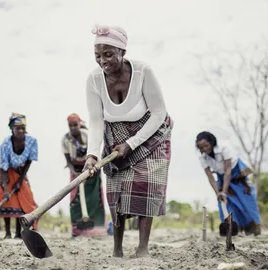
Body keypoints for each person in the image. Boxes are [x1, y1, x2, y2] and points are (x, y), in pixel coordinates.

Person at [84, 24, 173, 258]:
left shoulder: (143, 71)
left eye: (108, 54)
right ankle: (118, 249)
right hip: (115, 136)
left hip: (149, 134)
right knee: (117, 191)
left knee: (147, 184)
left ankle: (143, 248)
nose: (103, 61)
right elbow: (95, 121)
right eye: (97, 56)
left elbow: (158, 113)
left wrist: (132, 143)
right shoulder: (93, 80)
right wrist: (92, 154)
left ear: (123, 52)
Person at [195, 131, 261, 236]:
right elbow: (210, 177)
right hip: (221, 177)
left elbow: (228, 170)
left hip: (236, 175)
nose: (204, 149)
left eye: (206, 145)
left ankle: (254, 227)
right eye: (201, 148)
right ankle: (233, 230)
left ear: (212, 142)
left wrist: (224, 191)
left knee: (247, 201)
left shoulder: (224, 148)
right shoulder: (202, 158)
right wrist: (218, 193)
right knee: (226, 204)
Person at [0, 113, 39, 239]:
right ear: (11, 129)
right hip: (4, 170)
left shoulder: (32, 142)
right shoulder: (5, 145)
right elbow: (3, 168)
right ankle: (8, 233)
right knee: (7, 199)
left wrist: (20, 180)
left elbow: (29, 161)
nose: (20, 131)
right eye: (17, 128)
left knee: (24, 197)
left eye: (22, 128)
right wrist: (6, 189)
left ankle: (19, 233)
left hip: (20, 170)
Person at [61, 113, 106, 237]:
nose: (73, 128)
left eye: (75, 125)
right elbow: (68, 161)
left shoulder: (87, 135)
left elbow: (94, 152)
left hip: (91, 168)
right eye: (70, 126)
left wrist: (89, 170)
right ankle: (77, 229)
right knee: (75, 197)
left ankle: (97, 228)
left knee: (94, 196)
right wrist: (75, 172)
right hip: (75, 170)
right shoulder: (65, 140)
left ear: (79, 124)